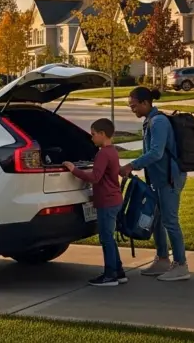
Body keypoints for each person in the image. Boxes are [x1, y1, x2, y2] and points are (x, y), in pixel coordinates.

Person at [118, 86, 190, 281]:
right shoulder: (150, 121)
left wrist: (132, 165)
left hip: (169, 179)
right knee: (157, 221)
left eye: (134, 106)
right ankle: (163, 259)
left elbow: (156, 153)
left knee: (170, 221)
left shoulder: (158, 122)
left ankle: (181, 265)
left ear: (145, 103)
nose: (132, 109)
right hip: (159, 179)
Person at [64, 118, 126, 287]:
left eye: (93, 134)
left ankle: (110, 275)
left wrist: (73, 169)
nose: (91, 138)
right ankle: (118, 271)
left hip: (106, 201)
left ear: (102, 134)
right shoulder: (112, 151)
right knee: (109, 238)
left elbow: (95, 177)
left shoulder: (102, 153)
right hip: (114, 199)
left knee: (106, 238)